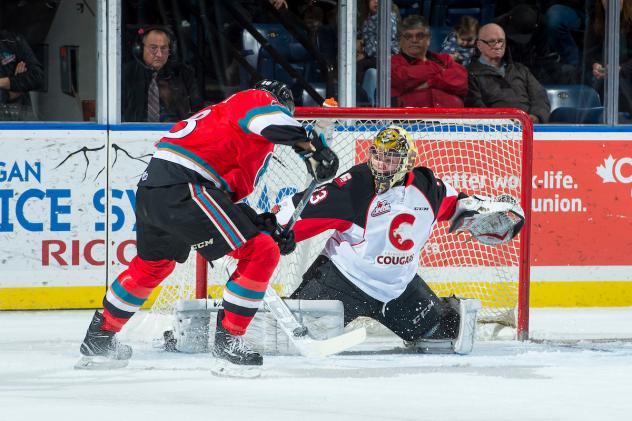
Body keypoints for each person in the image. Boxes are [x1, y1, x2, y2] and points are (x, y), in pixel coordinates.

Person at [76, 80, 340, 374]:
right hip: (186, 186)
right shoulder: (256, 100)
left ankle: (100, 337)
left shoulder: (222, 122)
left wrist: (263, 225)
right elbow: (270, 122)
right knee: (261, 251)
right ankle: (229, 340)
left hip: (155, 189)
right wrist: (311, 147)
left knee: (153, 266)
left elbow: (222, 202)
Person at [275, 126, 525, 354]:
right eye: (377, 154)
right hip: (340, 282)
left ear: (408, 162)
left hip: (398, 289)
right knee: (286, 340)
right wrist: (272, 230)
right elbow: (301, 210)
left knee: (445, 337)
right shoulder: (355, 186)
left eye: (391, 157)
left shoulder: (428, 188)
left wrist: (483, 213)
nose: (382, 163)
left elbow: (459, 205)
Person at [466, 23, 551, 124]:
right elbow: (476, 106)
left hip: (530, 127)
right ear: (479, 45)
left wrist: (535, 117)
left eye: (501, 41)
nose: (498, 46)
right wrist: (503, 122)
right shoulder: (471, 73)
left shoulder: (521, 70)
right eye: (492, 42)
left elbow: (540, 97)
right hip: (496, 132)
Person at [122, 26, 202, 122]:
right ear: (139, 48)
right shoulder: (125, 74)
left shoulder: (184, 73)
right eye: (153, 48)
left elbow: (197, 110)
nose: (159, 54)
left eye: (164, 48)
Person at [391, 15, 468, 108]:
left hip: (452, 118)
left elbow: (462, 83)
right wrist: (440, 71)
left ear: (428, 39)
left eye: (419, 35)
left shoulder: (444, 59)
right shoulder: (393, 63)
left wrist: (430, 82)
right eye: (408, 36)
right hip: (411, 119)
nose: (414, 40)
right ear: (400, 40)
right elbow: (403, 79)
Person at [0, 29, 44, 120]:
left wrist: (5, 82)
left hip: (20, 125)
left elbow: (37, 77)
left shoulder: (13, 41)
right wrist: (13, 91)